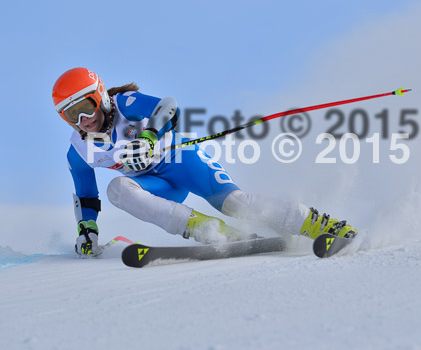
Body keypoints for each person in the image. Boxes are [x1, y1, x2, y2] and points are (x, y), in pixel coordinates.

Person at [52, 67, 357, 255]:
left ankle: (320, 224)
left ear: (100, 96)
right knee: (118, 188)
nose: (82, 119)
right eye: (70, 114)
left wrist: (149, 137)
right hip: (157, 186)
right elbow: (86, 195)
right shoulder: (78, 150)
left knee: (238, 205)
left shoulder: (124, 104)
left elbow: (169, 106)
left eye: (85, 106)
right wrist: (87, 229)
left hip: (182, 161)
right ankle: (209, 231)